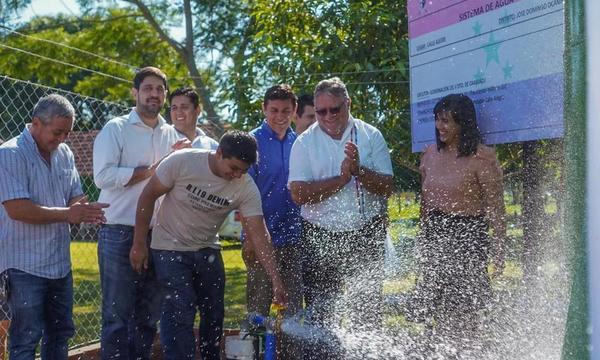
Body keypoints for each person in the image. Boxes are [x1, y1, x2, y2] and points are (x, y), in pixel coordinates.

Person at [130, 130, 287, 360]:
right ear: (219, 153)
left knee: (214, 313)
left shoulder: (245, 185)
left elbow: (259, 233)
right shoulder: (182, 162)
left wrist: (276, 280)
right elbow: (147, 196)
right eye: (233, 168)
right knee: (180, 310)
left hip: (207, 248)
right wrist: (138, 243)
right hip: (169, 247)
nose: (237, 175)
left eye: (243, 171)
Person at [288, 77, 394, 359]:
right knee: (322, 314)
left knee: (367, 310)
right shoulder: (304, 142)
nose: (327, 117)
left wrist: (359, 171)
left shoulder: (371, 135)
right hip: (320, 233)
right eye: (320, 111)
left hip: (365, 231)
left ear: (348, 104)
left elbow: (388, 187)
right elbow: (298, 194)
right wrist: (341, 179)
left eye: (334, 109)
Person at [0, 94, 108, 360]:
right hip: (24, 265)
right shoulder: (10, 153)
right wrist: (69, 213)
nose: (62, 139)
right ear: (36, 123)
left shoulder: (65, 152)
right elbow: (17, 209)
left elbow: (74, 194)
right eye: (57, 132)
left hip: (60, 264)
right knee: (25, 339)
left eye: (67, 133)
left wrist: (84, 209)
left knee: (60, 333)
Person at [93, 67, 187, 360]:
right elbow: (103, 177)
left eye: (160, 89)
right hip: (118, 232)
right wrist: (154, 170)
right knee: (116, 317)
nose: (154, 94)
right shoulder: (116, 128)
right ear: (135, 92)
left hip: (157, 234)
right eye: (147, 88)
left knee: (147, 316)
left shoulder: (172, 134)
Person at [414, 93, 506, 341]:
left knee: (465, 312)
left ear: (462, 123)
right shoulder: (430, 154)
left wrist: (499, 248)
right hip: (435, 234)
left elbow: (496, 207)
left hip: (467, 238)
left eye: (446, 121)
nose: (439, 127)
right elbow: (426, 201)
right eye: (437, 120)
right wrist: (421, 240)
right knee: (436, 309)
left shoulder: (482, 157)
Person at [243, 85, 302, 359]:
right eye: (274, 110)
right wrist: (250, 239)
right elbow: (242, 197)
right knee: (258, 307)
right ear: (264, 109)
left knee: (290, 311)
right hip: (260, 240)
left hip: (293, 239)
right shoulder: (251, 143)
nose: (280, 116)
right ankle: (252, 355)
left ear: (294, 111)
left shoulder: (300, 142)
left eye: (286, 111)